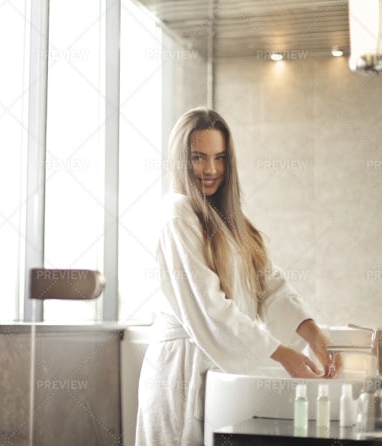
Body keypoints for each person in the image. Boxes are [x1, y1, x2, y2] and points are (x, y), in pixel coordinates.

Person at [135, 108, 343, 445]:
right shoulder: (177, 215)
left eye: (219, 158)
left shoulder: (228, 220)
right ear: (179, 159)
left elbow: (269, 284)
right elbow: (209, 308)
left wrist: (313, 334)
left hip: (216, 364)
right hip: (182, 370)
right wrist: (282, 353)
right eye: (198, 158)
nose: (211, 169)